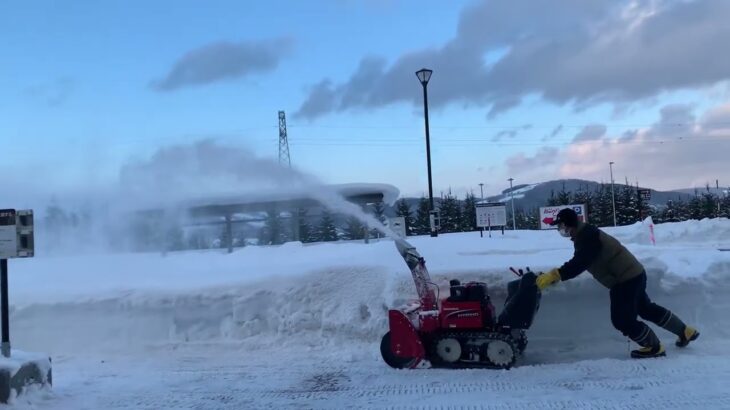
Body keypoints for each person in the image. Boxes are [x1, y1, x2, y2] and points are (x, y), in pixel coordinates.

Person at [535, 208, 699, 359]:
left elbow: (580, 262)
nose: (560, 230)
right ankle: (685, 331)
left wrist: (556, 275)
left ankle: (654, 347)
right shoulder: (585, 234)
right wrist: (556, 274)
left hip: (625, 279)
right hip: (634, 273)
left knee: (622, 320)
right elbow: (582, 260)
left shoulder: (587, 236)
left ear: (569, 224)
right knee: (645, 309)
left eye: (561, 226)